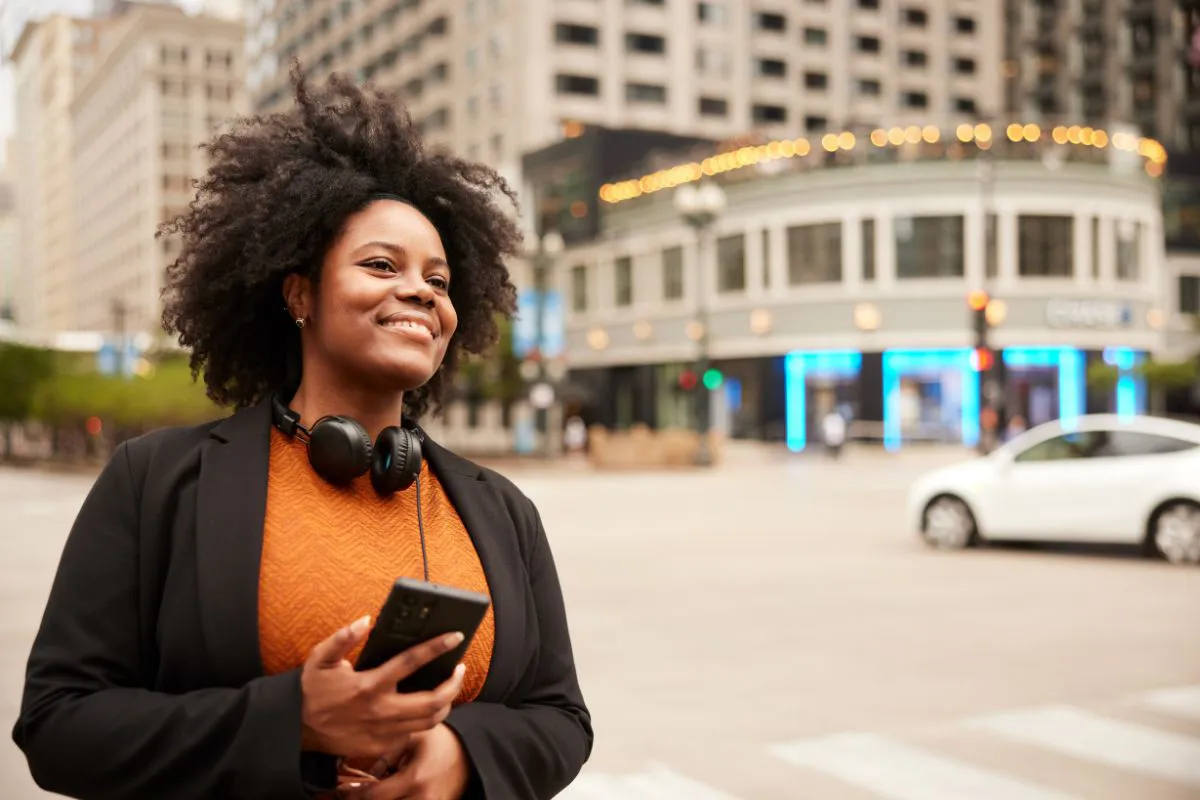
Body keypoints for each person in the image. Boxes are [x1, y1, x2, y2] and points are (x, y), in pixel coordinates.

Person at [12, 66, 592, 800]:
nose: (420, 291)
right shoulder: (154, 480)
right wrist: (292, 720)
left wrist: (462, 757)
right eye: (381, 265)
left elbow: (562, 718)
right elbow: (59, 726)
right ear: (299, 295)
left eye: (439, 281)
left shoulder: (503, 510)